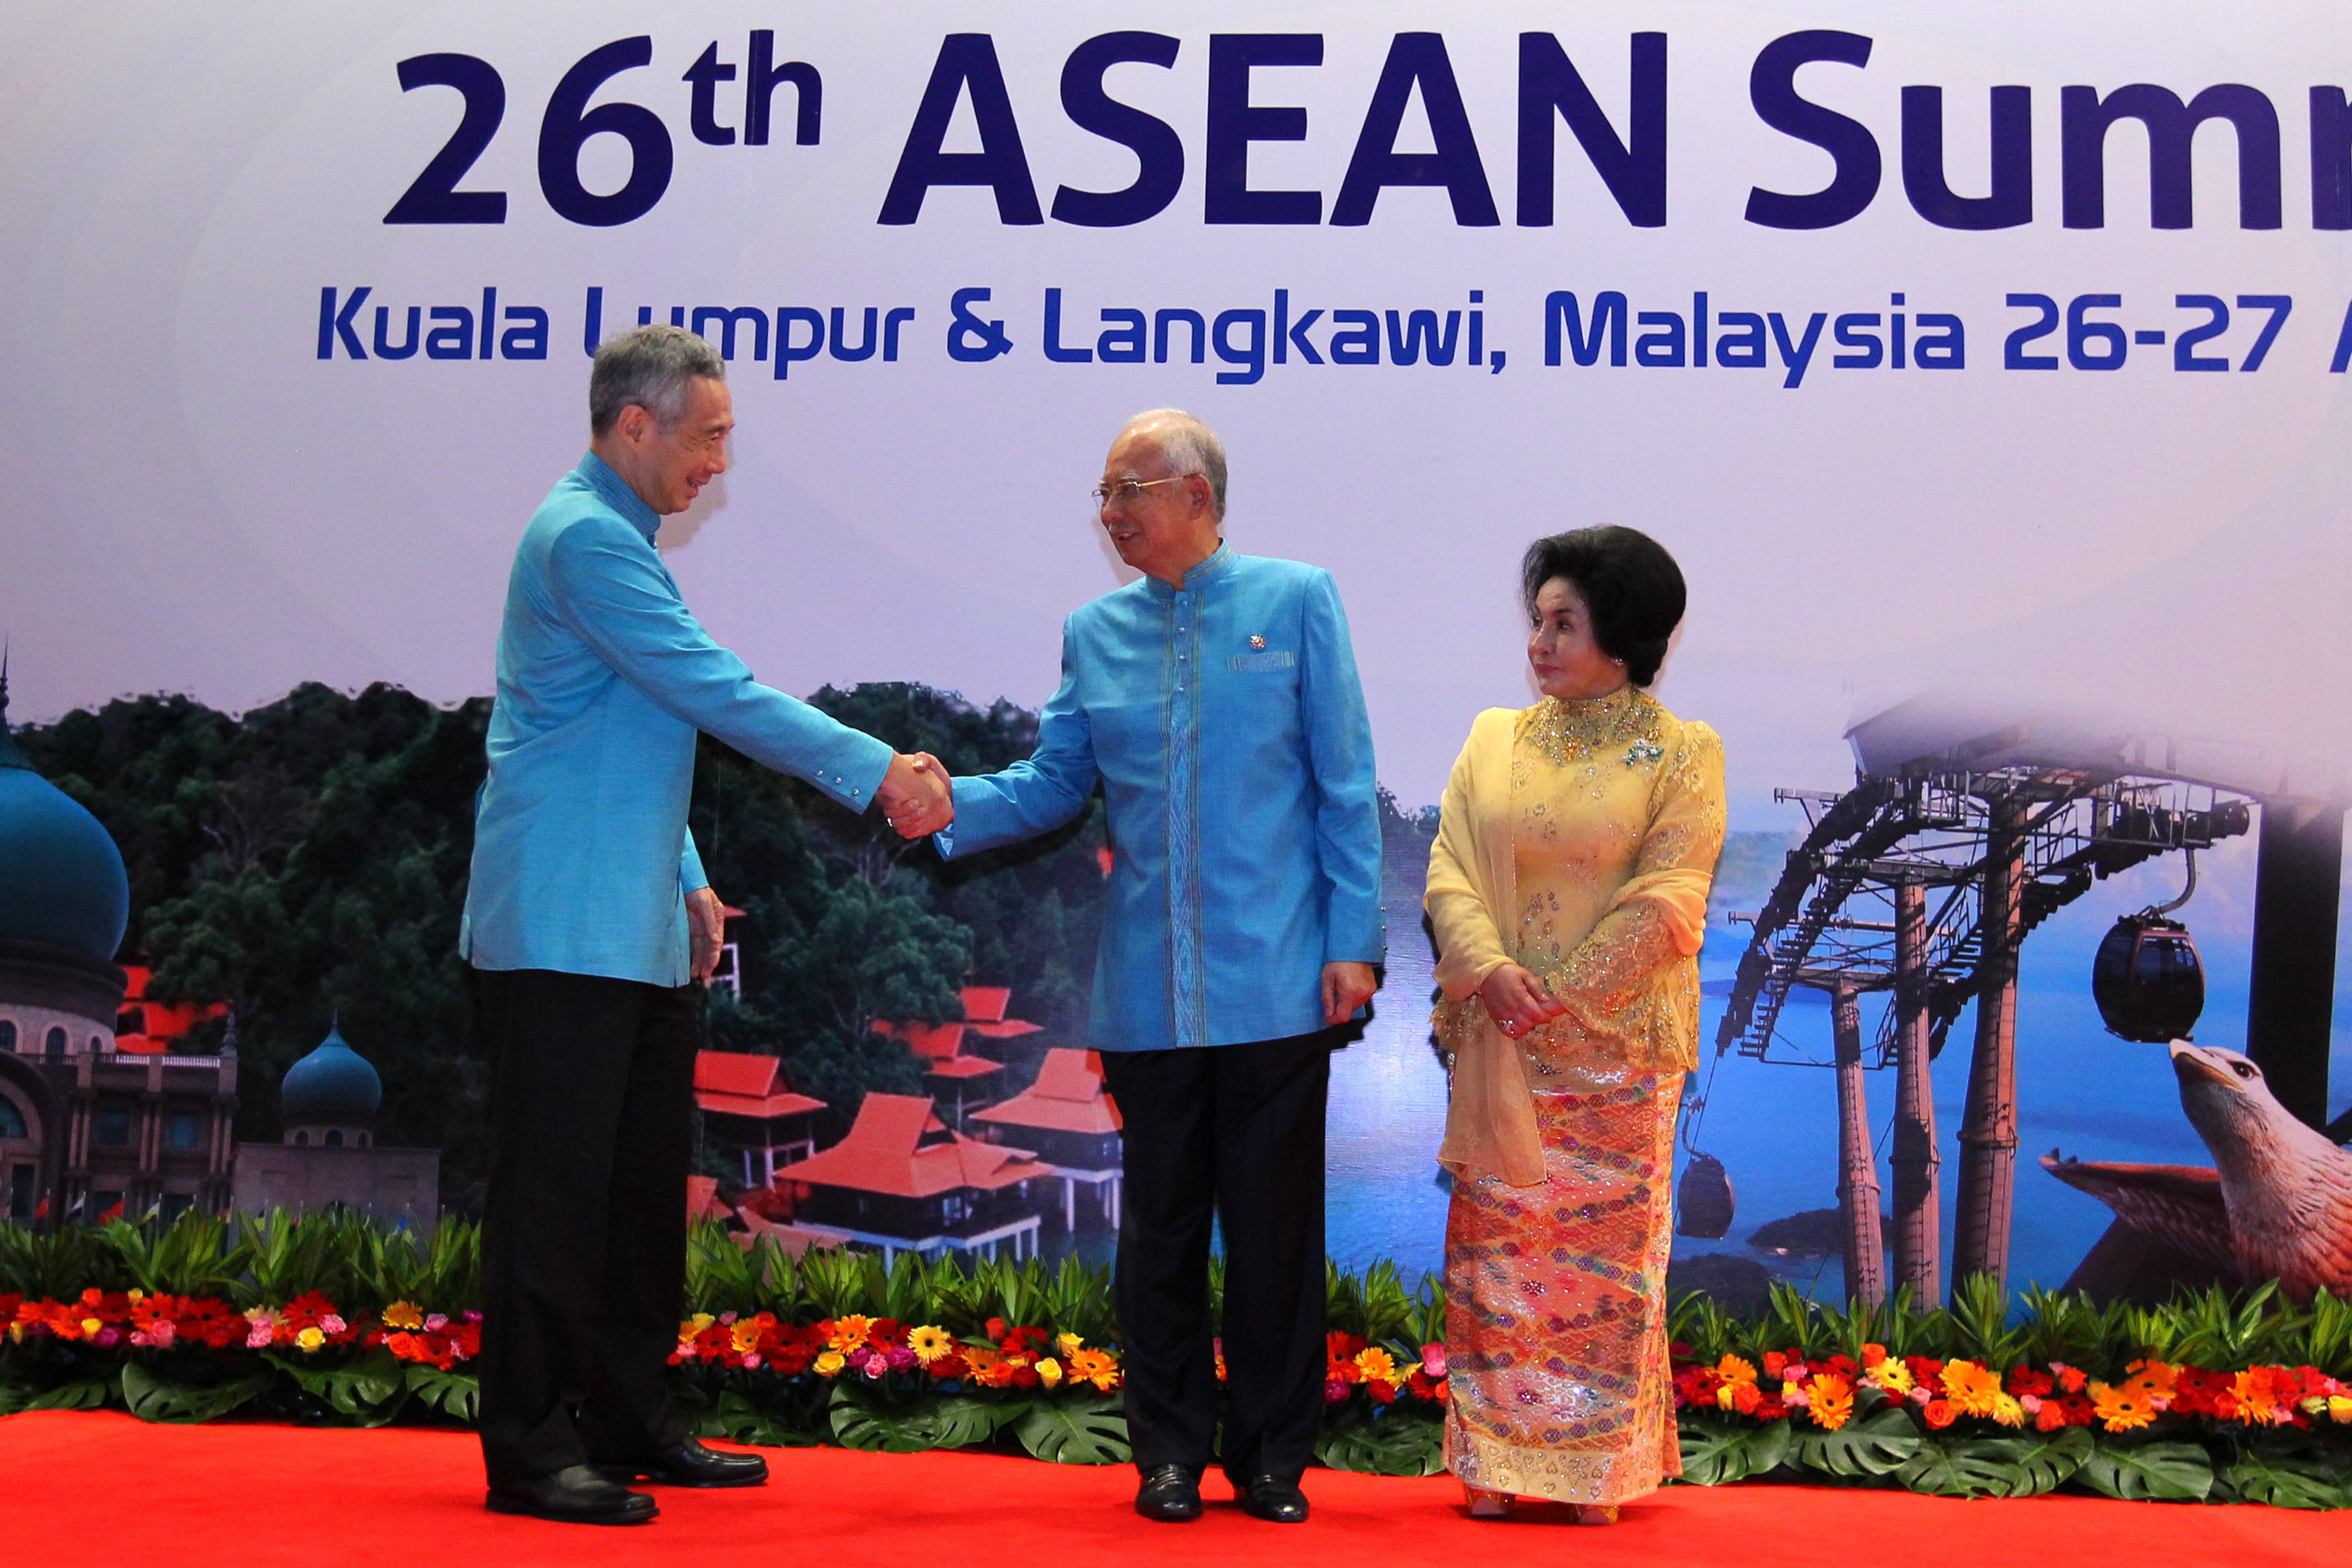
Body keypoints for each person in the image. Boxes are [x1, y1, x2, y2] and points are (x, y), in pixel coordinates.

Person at [460, 324, 950, 1525]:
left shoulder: (617, 543)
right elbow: (709, 688)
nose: (721, 463)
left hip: (630, 923)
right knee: (556, 1199)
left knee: (636, 1199)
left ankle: (626, 1424)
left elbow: (639, 723)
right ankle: (529, 1448)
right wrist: (881, 767)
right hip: (560, 926)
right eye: (711, 435)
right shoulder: (586, 539)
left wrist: (686, 877)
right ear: (637, 424)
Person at [924, 409, 1383, 1525]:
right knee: (1160, 1236)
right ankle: (1167, 1454)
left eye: (1127, 491)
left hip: (1281, 981)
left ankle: (1274, 1460)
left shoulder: (1298, 600)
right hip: (1146, 998)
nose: (1110, 514)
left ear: (1195, 495)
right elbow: (1049, 784)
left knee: (1277, 1239)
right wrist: (937, 801)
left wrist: (1355, 941)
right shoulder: (1095, 631)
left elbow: (1346, 783)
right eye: (1104, 494)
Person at [1423, 526, 1724, 1523]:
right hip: (1503, 1042)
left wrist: (1555, 994)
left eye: (1564, 623)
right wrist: (1496, 979)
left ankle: (1595, 1471)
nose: (1540, 644)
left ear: (1626, 636)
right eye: (1537, 622)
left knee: (1606, 1273)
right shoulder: (1493, 738)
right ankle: (1498, 1464)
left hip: (1620, 1057)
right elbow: (1450, 873)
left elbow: (1672, 897)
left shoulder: (1684, 752)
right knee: (1499, 1261)